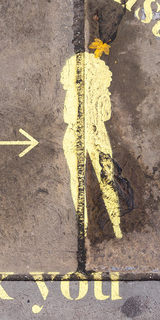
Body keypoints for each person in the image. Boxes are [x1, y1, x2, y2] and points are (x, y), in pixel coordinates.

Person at [61, 51, 123, 239]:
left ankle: (111, 224)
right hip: (81, 134)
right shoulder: (74, 94)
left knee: (100, 179)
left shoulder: (94, 93)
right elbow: (102, 115)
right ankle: (91, 225)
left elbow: (104, 115)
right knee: (86, 180)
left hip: (92, 133)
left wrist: (99, 99)